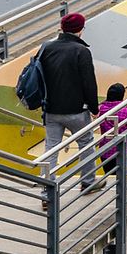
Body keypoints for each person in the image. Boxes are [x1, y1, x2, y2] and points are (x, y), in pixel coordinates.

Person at [37, 12, 99, 191]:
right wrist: (94, 108)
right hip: (76, 110)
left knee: (51, 148)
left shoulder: (46, 48)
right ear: (80, 30)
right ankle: (88, 182)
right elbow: (89, 83)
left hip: (51, 109)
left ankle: (46, 191)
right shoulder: (81, 51)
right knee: (86, 142)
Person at [94, 82, 127, 182]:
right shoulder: (126, 110)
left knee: (111, 179)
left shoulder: (101, 109)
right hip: (125, 150)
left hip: (106, 150)